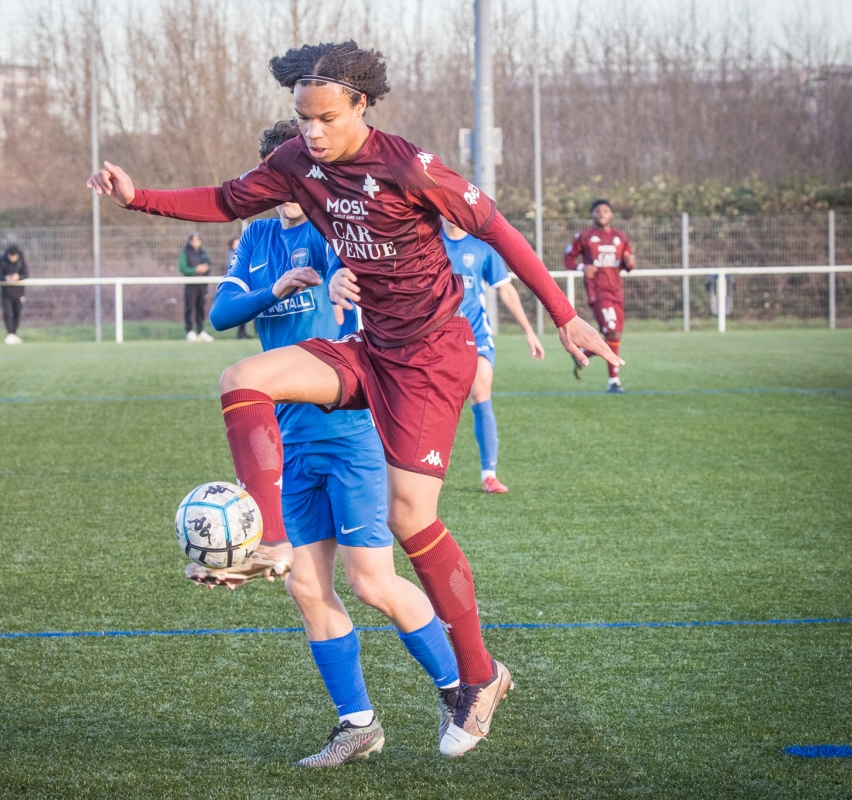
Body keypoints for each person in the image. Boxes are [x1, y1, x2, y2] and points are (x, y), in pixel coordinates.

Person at [89, 40, 619, 758]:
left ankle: (480, 675)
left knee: (408, 520)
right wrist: (137, 196)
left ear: (361, 107)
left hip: (433, 358)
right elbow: (221, 201)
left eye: (327, 118)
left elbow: (495, 228)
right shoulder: (296, 165)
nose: (312, 133)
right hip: (372, 352)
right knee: (242, 379)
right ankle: (272, 540)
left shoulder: (409, 165)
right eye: (302, 118)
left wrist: (564, 314)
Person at [202, 119, 464, 767]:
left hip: (353, 428)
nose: (290, 182)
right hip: (287, 435)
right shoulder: (258, 237)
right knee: (307, 587)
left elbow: (363, 268)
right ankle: (357, 725)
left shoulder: (336, 223)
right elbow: (220, 316)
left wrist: (347, 281)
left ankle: (464, 687)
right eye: (278, 173)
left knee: (372, 580)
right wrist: (275, 288)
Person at [441, 218, 545, 494]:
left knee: (481, 390)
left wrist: (528, 330)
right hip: (436, 336)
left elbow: (505, 288)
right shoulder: (428, 241)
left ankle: (489, 474)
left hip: (476, 334)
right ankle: (431, 468)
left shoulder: (482, 247)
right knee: (438, 403)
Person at [563, 199, 634, 392]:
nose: (602, 214)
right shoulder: (585, 237)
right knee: (612, 332)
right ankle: (614, 382)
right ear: (593, 214)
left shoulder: (620, 237)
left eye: (605, 210)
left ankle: (582, 355)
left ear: (611, 214)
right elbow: (568, 259)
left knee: (614, 335)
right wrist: (581, 267)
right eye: (597, 211)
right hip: (598, 293)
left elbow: (628, 266)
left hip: (617, 293)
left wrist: (630, 262)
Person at [179, 232, 213, 341]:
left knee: (201, 307)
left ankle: (201, 331)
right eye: (193, 240)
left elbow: (209, 264)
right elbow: (182, 268)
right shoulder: (185, 253)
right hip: (191, 284)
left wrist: (206, 268)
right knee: (190, 307)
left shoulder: (203, 252)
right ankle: (189, 331)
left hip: (202, 284)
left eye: (197, 240)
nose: (195, 242)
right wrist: (195, 269)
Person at [0, 245, 28, 345]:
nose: (12, 258)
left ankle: (14, 334)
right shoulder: (2, 260)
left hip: (19, 292)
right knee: (8, 313)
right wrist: (5, 278)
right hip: (6, 292)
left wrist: (19, 276)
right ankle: (10, 334)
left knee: (17, 313)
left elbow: (26, 273)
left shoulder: (21, 261)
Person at [225, 236, 251, 339]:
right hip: (239, 286)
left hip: (247, 285)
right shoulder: (233, 256)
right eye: (236, 243)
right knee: (243, 309)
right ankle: (241, 333)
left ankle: (245, 332)